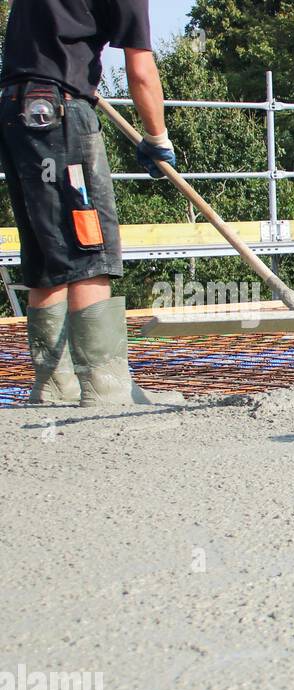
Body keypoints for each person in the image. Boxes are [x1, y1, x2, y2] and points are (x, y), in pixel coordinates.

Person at [0, 0, 176, 406]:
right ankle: (105, 385)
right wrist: (157, 136)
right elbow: (141, 69)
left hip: (16, 107)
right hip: (57, 114)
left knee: (47, 252)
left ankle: (56, 384)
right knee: (88, 245)